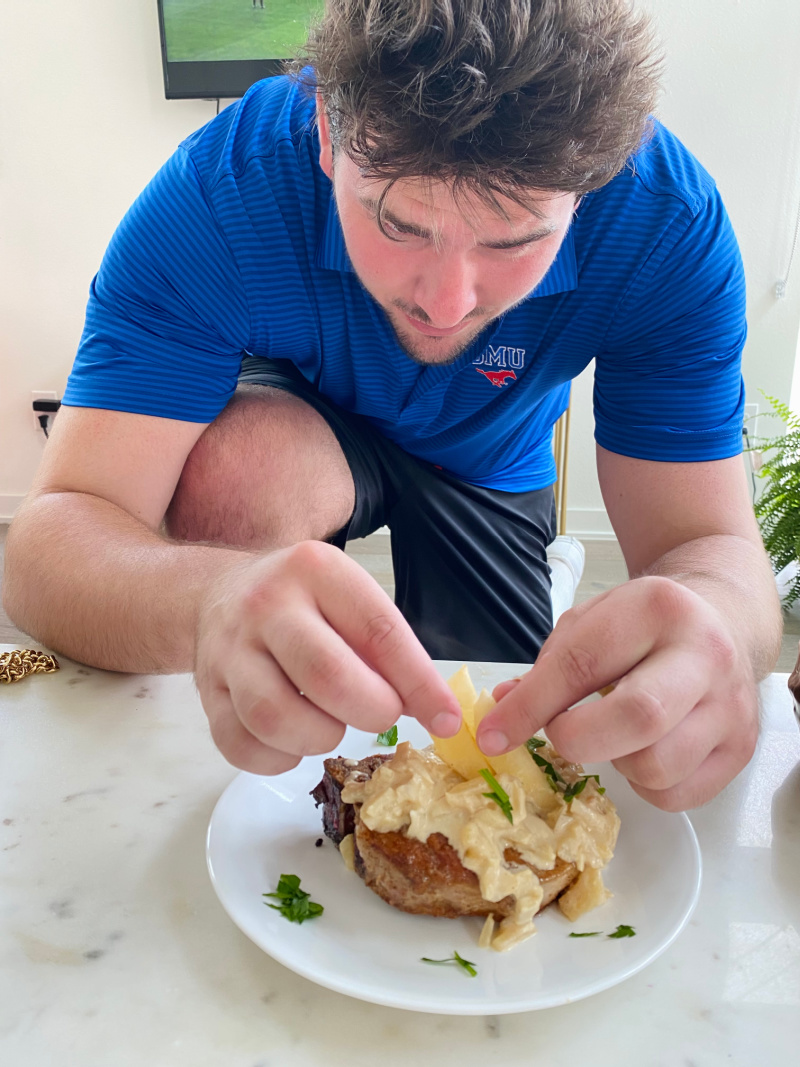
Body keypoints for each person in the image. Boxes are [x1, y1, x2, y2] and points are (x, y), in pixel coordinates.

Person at [4, 0, 782, 812]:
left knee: (494, 748)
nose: (448, 305)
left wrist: (720, 625)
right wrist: (208, 601)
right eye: (398, 222)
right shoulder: (219, 196)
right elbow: (52, 539)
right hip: (306, 421)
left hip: (492, 461)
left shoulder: (667, 223)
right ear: (328, 136)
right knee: (243, 476)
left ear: (594, 187)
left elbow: (707, 542)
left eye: (513, 242)